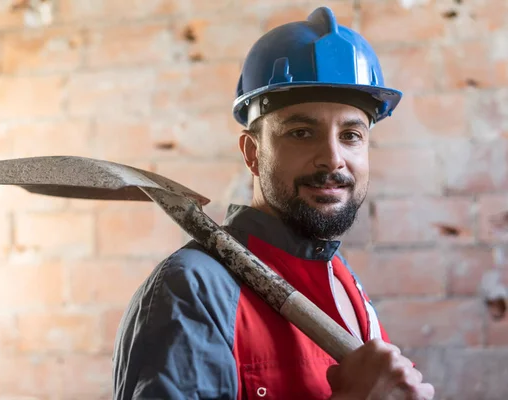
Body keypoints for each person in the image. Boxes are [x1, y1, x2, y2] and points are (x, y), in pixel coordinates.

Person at [112, 6, 434, 400]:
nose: (333, 159)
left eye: (351, 135)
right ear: (252, 153)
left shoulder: (344, 283)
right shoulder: (194, 289)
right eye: (301, 132)